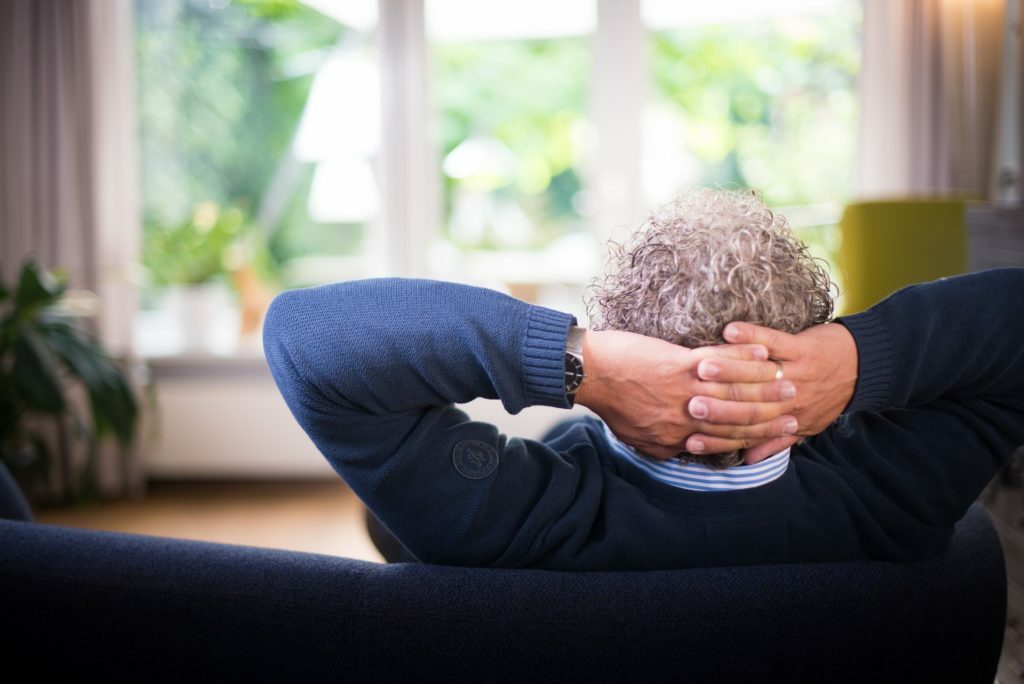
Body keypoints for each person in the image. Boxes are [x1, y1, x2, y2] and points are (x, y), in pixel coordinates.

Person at [263, 189, 1024, 570]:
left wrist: (579, 367)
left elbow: (303, 336)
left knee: (389, 521)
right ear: (806, 345)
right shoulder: (893, 497)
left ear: (622, 340)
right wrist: (859, 360)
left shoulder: (516, 524)